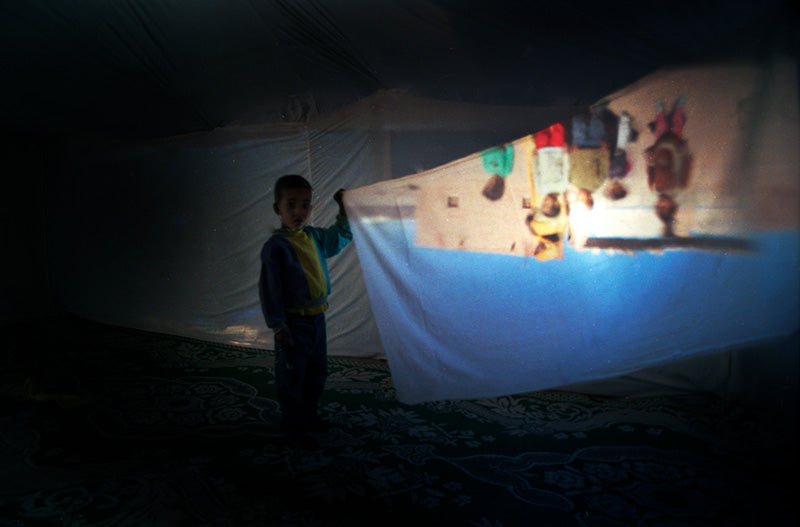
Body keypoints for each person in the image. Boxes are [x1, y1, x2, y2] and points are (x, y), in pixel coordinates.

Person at [259, 174, 352, 448]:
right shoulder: (276, 247)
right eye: (291, 205)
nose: (299, 212)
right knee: (292, 374)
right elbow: (270, 288)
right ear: (278, 208)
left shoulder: (314, 237)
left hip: (317, 321)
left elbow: (339, 238)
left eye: (305, 205)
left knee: (316, 370)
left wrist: (344, 210)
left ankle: (309, 415)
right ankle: (292, 425)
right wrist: (278, 325)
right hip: (292, 323)